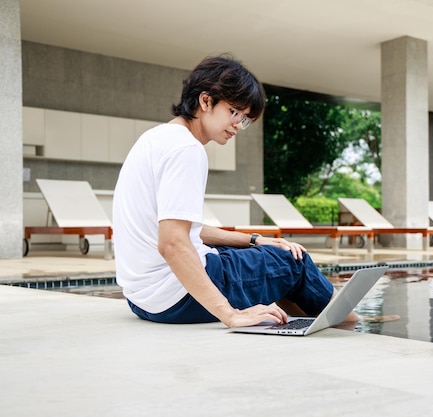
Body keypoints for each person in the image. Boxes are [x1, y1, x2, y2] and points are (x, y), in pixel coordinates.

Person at [113, 54, 358, 327]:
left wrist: (254, 240)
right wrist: (229, 314)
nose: (238, 126)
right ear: (205, 101)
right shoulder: (187, 150)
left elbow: (181, 228)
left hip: (143, 300)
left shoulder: (154, 139)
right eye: (234, 112)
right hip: (178, 297)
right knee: (293, 261)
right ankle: (352, 322)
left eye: (245, 119)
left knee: (273, 259)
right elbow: (172, 243)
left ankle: (316, 318)